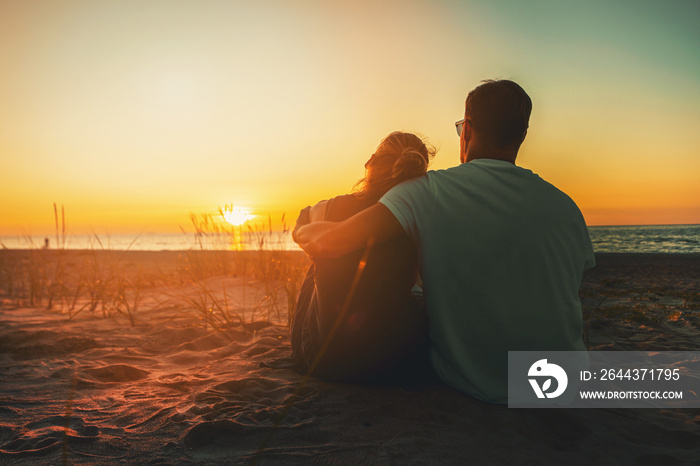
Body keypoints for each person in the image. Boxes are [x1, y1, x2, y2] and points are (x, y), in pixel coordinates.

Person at [293, 80, 595, 403]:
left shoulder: (428, 191)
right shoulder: (567, 207)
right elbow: (572, 295)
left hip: (480, 386)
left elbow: (330, 243)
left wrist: (304, 231)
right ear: (521, 136)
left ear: (467, 131)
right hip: (566, 384)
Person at [291, 131, 436, 383]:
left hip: (318, 354)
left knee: (316, 267)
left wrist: (311, 235)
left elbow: (303, 219)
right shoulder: (417, 217)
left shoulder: (332, 207)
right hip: (384, 357)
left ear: (370, 163)